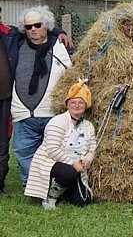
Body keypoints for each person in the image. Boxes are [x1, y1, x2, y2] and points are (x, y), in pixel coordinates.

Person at [11, 6, 72, 188]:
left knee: (54, 152)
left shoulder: (61, 45)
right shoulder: (17, 44)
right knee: (24, 151)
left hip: (51, 112)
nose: (33, 30)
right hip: (23, 114)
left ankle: (52, 185)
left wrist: (58, 31)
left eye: (38, 25)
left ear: (47, 26)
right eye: (29, 27)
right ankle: (30, 186)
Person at [24, 80, 96, 209]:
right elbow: (52, 150)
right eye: (73, 102)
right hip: (51, 162)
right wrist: (73, 163)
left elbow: (91, 147)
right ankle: (50, 197)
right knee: (69, 172)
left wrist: (87, 160)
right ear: (67, 105)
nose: (77, 105)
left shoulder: (88, 126)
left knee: (83, 201)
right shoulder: (57, 122)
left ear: (86, 105)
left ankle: (63, 191)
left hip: (76, 166)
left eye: (81, 102)